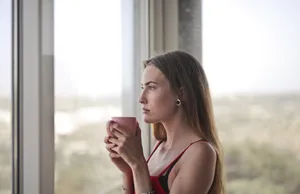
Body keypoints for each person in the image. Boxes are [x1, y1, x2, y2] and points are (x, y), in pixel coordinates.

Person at [104, 50, 225, 194]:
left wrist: (138, 164)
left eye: (152, 87)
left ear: (181, 93)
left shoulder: (201, 152)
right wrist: (128, 169)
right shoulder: (159, 145)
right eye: (143, 88)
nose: (141, 98)